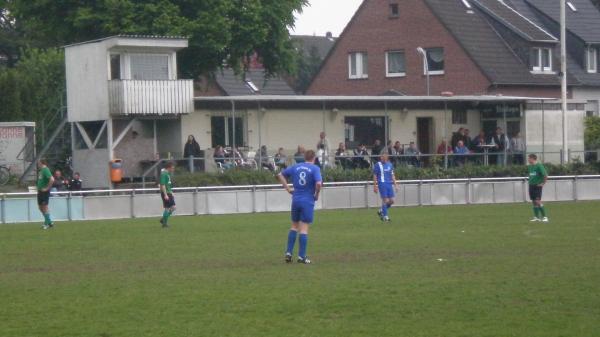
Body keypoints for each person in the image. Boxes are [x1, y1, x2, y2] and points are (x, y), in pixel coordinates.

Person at [277, 150, 322, 264]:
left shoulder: (296, 166)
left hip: (295, 199)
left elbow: (280, 175)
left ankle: (288, 252)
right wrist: (316, 195)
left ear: (304, 157)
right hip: (307, 200)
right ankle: (301, 256)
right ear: (314, 158)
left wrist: (288, 189)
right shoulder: (315, 168)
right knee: (304, 228)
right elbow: (318, 183)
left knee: (294, 226)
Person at [373, 153, 398, 222]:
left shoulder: (390, 164)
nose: (383, 158)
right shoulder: (377, 165)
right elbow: (375, 176)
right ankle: (386, 217)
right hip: (382, 184)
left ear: (387, 157)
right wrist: (375, 186)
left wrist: (395, 185)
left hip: (389, 184)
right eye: (382, 157)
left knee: (392, 201)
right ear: (381, 157)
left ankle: (381, 210)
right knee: (385, 200)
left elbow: (392, 175)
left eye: (384, 157)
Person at [527, 154, 549, 222]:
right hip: (531, 185)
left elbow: (545, 175)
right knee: (533, 201)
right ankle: (536, 217)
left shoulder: (539, 165)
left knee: (537, 201)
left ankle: (545, 217)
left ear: (533, 159)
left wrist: (543, 183)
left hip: (537, 186)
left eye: (529, 158)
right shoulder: (530, 166)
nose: (528, 160)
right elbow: (532, 175)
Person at [37, 160, 55, 230]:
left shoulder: (45, 170)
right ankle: (49, 222)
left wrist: (47, 188)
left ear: (41, 163)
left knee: (44, 207)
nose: (38, 165)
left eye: (38, 163)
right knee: (40, 207)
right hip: (40, 191)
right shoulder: (41, 171)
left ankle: (47, 223)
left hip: (44, 192)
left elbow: (52, 179)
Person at [159, 162, 176, 228]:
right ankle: (164, 224)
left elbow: (168, 185)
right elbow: (162, 185)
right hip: (166, 193)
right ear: (169, 167)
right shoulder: (163, 174)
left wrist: (171, 192)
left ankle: (163, 219)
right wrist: (165, 195)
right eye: (172, 168)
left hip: (169, 193)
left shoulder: (167, 174)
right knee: (168, 208)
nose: (173, 169)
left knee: (173, 207)